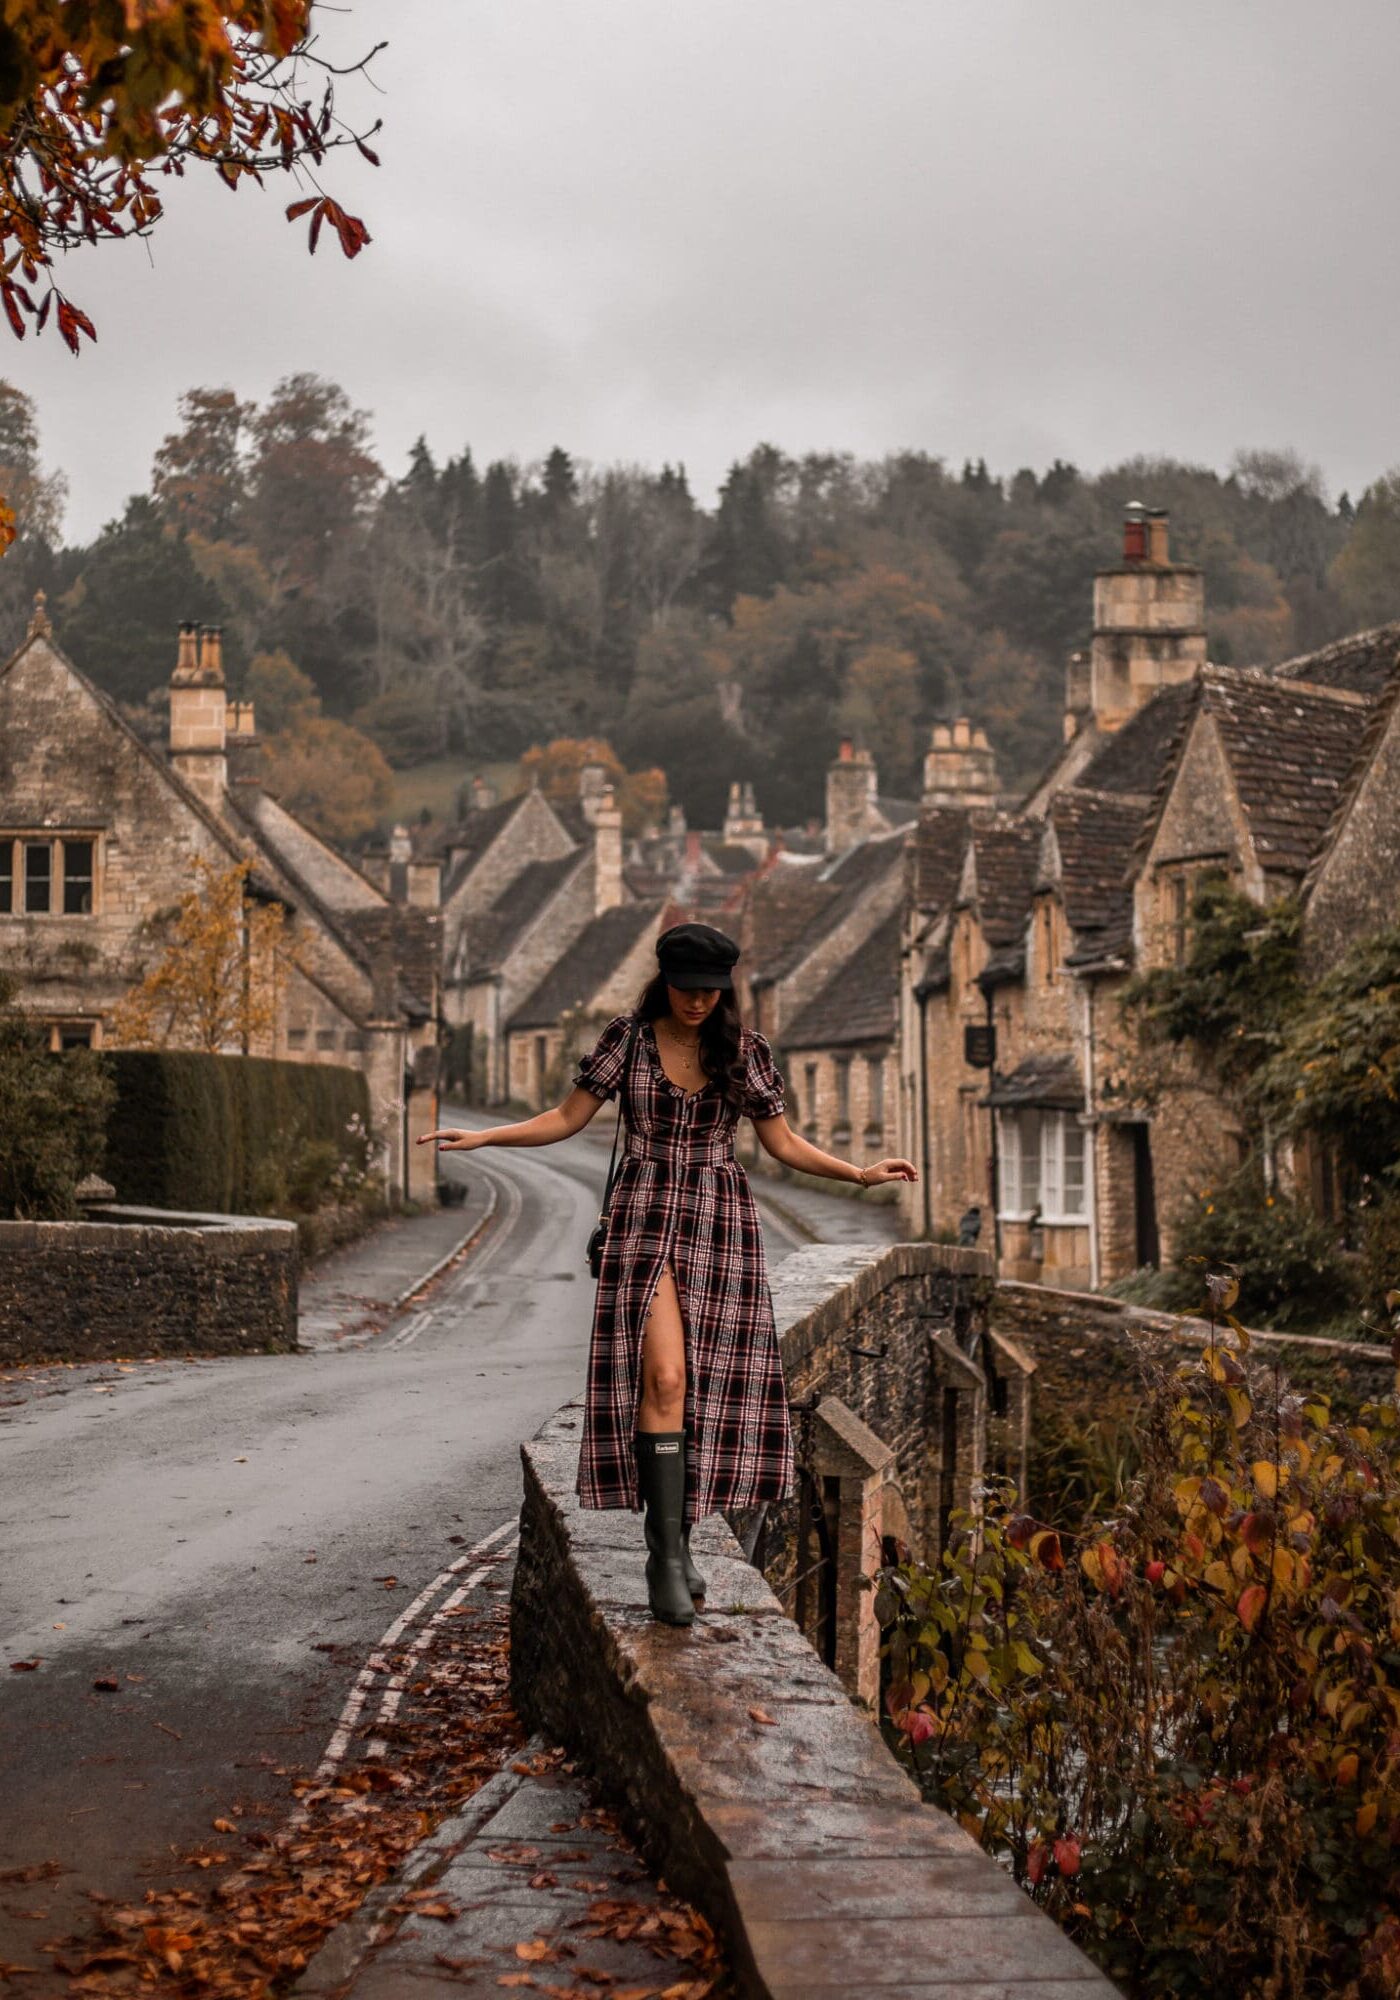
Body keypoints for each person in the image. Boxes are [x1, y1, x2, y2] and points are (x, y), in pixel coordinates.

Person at [420, 921, 917, 1628]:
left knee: (705, 1388)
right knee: (665, 1380)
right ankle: (660, 1555)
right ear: (666, 981)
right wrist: (484, 1136)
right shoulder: (627, 1037)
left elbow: (780, 1142)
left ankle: (683, 1544)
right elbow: (566, 1118)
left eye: (712, 992)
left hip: (720, 1225)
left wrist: (859, 1173)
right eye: (687, 990)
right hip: (644, 1214)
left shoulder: (744, 1052)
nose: (698, 1004)